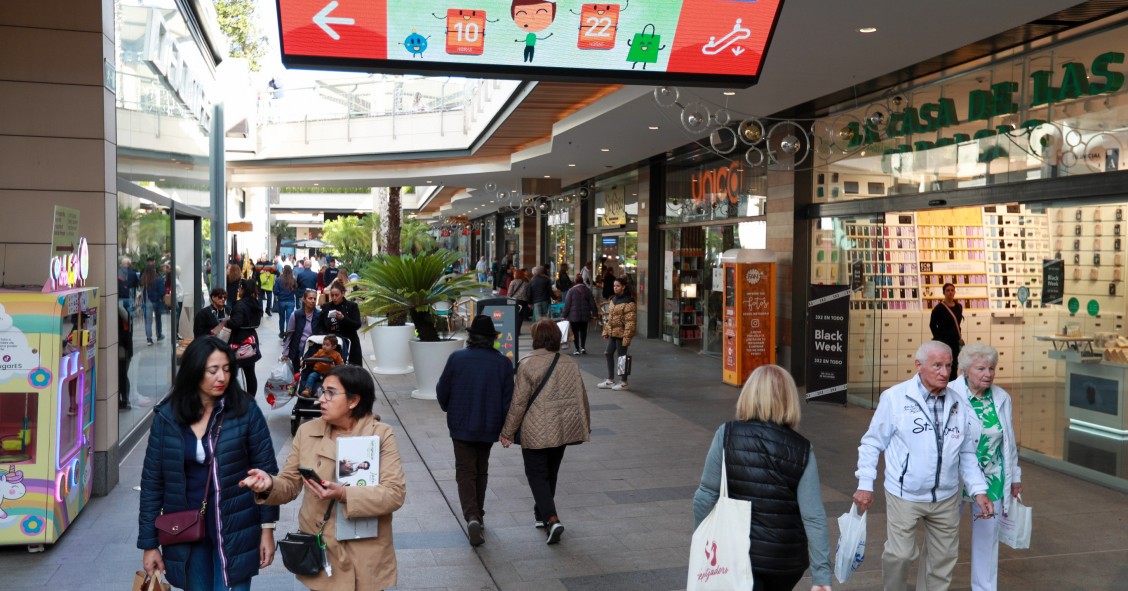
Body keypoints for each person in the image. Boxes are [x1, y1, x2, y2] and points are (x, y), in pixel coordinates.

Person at [241, 366, 407, 590]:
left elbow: (394, 493)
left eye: (330, 393)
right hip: (323, 548)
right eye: (321, 391)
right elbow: (290, 484)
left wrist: (343, 493)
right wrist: (269, 484)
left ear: (353, 401)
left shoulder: (380, 434)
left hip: (366, 551)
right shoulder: (307, 432)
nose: (321, 400)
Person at [137, 337, 279, 591]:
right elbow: (152, 484)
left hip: (236, 525)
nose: (222, 377)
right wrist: (149, 544)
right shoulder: (167, 418)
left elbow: (266, 472)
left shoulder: (245, 410)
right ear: (193, 371)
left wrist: (267, 528)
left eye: (226, 369)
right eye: (213, 370)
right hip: (185, 528)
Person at [853, 340, 993, 591]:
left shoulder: (958, 402)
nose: (944, 372)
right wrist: (865, 484)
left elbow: (966, 451)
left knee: (942, 561)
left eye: (948, 366)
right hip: (905, 494)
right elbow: (872, 444)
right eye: (937, 365)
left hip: (946, 496)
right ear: (918, 366)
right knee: (901, 555)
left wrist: (978, 490)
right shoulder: (895, 398)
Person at [692, 365, 833, 591]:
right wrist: (821, 576)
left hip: (737, 555)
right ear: (789, 400)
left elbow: (705, 497)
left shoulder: (726, 435)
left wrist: (702, 542)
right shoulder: (803, 449)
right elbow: (813, 516)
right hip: (785, 561)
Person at [499, 319, 590, 545]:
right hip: (562, 428)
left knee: (536, 475)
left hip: (535, 429)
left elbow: (519, 403)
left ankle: (551, 518)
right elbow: (582, 397)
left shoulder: (527, 364)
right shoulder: (569, 363)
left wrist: (507, 432)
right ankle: (541, 514)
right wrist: (584, 425)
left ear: (536, 338)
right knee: (551, 472)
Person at [436, 316, 514, 546]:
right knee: (481, 468)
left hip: (461, 424)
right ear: (492, 339)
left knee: (465, 471)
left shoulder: (457, 358)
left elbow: (442, 389)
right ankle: (478, 514)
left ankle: (472, 516)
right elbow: (508, 400)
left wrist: (448, 407)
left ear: (470, 337)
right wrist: (507, 429)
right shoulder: (502, 363)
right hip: (489, 425)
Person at [950, 344, 1023, 591]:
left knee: (987, 542)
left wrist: (1014, 476)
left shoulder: (1002, 397)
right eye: (981, 368)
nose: (988, 374)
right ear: (965, 371)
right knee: (943, 540)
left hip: (993, 479)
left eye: (992, 368)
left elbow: (1009, 440)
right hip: (956, 479)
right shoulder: (949, 393)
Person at [598, 275, 636, 391]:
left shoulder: (629, 302)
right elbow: (609, 318)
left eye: (618, 286)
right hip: (613, 333)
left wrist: (627, 337)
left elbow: (631, 322)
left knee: (622, 357)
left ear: (623, 287)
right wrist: (606, 331)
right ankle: (610, 379)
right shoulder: (613, 300)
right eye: (614, 286)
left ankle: (624, 382)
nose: (615, 288)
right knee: (608, 353)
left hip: (621, 334)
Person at [228, 279, 263, 397]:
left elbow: (236, 322)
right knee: (250, 372)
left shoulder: (240, 304)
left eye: (239, 288)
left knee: (232, 370)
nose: (238, 290)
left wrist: (228, 322)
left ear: (243, 289)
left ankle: (235, 397)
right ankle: (251, 398)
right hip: (252, 338)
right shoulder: (255, 302)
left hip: (240, 340)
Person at [283, 289, 325, 372]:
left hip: (313, 353)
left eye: (314, 299)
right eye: (310, 298)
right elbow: (290, 334)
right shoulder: (296, 314)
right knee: (297, 375)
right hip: (297, 351)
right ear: (304, 299)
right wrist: (285, 352)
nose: (313, 301)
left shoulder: (319, 315)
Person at [322, 282, 363, 365]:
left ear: (343, 293)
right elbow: (322, 325)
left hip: (350, 342)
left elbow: (357, 324)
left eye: (337, 295)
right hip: (332, 344)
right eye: (332, 295)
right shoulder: (326, 307)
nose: (334, 298)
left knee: (352, 369)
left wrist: (344, 318)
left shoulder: (352, 306)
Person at [930, 282, 964, 380]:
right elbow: (932, 324)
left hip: (955, 341)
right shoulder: (939, 308)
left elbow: (957, 323)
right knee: (944, 364)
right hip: (944, 341)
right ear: (944, 293)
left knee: (954, 365)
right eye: (947, 290)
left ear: (954, 292)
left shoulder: (958, 307)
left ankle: (952, 385)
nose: (950, 292)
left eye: (952, 290)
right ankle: (943, 383)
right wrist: (938, 338)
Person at [562, 273, 596, 355]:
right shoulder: (587, 290)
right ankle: (583, 348)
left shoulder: (571, 291)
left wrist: (564, 315)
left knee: (575, 332)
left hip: (574, 316)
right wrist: (595, 314)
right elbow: (592, 303)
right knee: (583, 331)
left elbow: (567, 304)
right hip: (585, 315)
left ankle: (577, 349)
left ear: (575, 281)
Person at [140, 258, 165, 345]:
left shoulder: (143, 279)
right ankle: (159, 335)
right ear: (154, 270)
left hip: (146, 302)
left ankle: (149, 339)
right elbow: (162, 291)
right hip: (156, 301)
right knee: (158, 319)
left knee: (148, 321)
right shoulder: (158, 279)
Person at [273, 265, 299, 339]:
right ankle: (288, 334)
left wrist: (279, 294)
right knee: (289, 319)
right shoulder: (293, 280)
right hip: (290, 301)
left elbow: (275, 291)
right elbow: (296, 291)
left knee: (281, 318)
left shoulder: (278, 279)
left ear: (283, 270)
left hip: (281, 301)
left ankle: (281, 333)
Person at [118, 298, 134, 409]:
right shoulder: (121, 307)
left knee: (122, 374)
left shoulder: (119, 308)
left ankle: (125, 398)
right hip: (124, 347)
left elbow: (128, 320)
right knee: (122, 375)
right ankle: (124, 398)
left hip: (123, 348)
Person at [508, 269, 531, 334]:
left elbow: (509, 293)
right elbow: (527, 293)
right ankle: (518, 331)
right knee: (520, 316)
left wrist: (508, 299)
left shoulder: (513, 282)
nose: (513, 275)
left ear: (516, 275)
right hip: (523, 301)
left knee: (513, 315)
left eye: (514, 274)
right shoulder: (526, 283)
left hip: (513, 300)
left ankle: (513, 330)